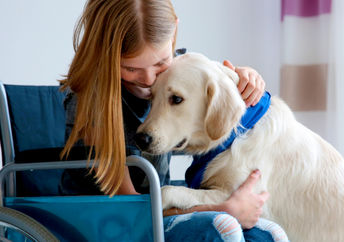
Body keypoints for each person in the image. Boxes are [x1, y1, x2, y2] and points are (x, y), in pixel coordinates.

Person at [59, 0, 288, 241]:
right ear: (104, 51)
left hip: (158, 209)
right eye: (131, 68)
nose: (148, 79)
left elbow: (212, 85)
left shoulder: (176, 74)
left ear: (174, 33)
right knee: (224, 225)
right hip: (108, 221)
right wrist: (223, 208)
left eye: (159, 63)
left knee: (269, 233)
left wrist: (245, 76)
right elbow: (130, 207)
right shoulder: (92, 101)